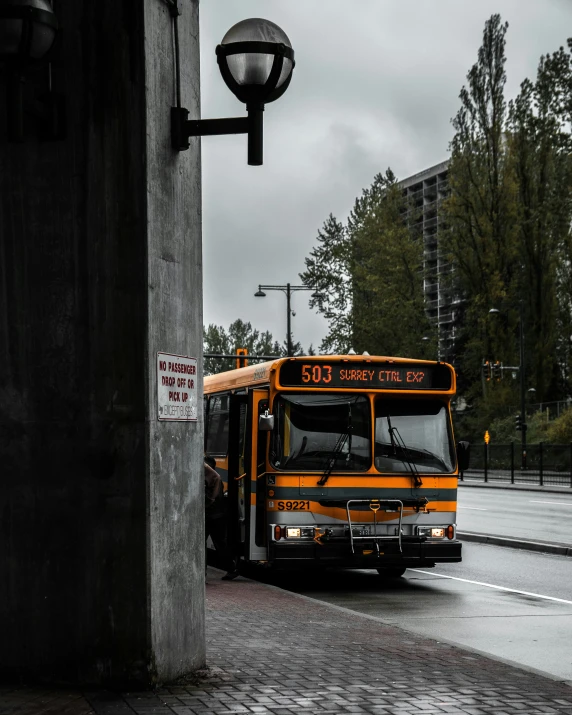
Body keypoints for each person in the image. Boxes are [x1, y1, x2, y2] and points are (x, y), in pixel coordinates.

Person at [204, 459, 239, 580]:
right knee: (220, 544)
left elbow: (210, 500)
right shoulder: (215, 480)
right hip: (217, 516)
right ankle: (231, 568)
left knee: (215, 544)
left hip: (211, 516)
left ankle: (231, 568)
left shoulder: (213, 479)